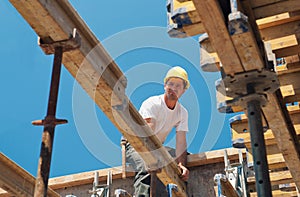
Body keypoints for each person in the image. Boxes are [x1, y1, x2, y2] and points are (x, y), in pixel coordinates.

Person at [125, 66, 190, 197]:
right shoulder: (153, 103)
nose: (174, 88)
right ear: (165, 86)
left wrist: (181, 164)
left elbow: (181, 142)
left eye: (178, 85)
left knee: (184, 156)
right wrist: (154, 157)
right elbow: (147, 135)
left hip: (158, 147)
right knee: (147, 165)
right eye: (171, 84)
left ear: (183, 90)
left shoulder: (182, 112)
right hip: (137, 145)